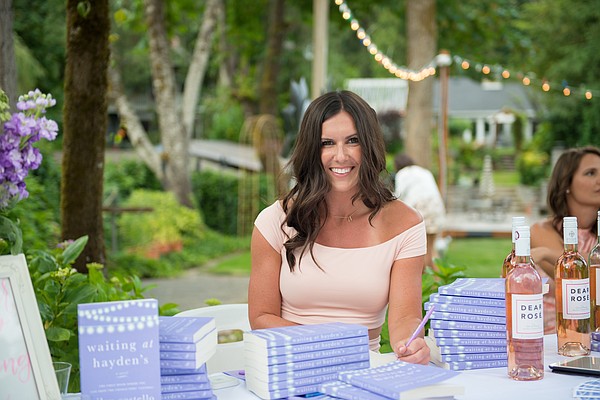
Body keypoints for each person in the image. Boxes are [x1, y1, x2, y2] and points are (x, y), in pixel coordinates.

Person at [248, 90, 430, 365]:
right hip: (289, 368)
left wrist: (411, 343)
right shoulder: (275, 221)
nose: (341, 155)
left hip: (362, 372)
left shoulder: (406, 224)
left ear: (369, 145)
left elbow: (405, 317)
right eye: (327, 143)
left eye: (353, 141)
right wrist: (332, 346)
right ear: (312, 150)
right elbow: (261, 318)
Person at [530, 146, 600, 334]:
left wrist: (546, 253)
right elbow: (572, 275)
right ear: (566, 184)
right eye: (591, 173)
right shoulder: (541, 231)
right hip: (549, 336)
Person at [394, 153, 446, 270]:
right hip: (436, 209)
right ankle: (439, 281)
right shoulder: (424, 171)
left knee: (422, 251)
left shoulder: (402, 174)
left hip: (421, 210)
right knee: (431, 249)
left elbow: (399, 196)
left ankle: (426, 283)